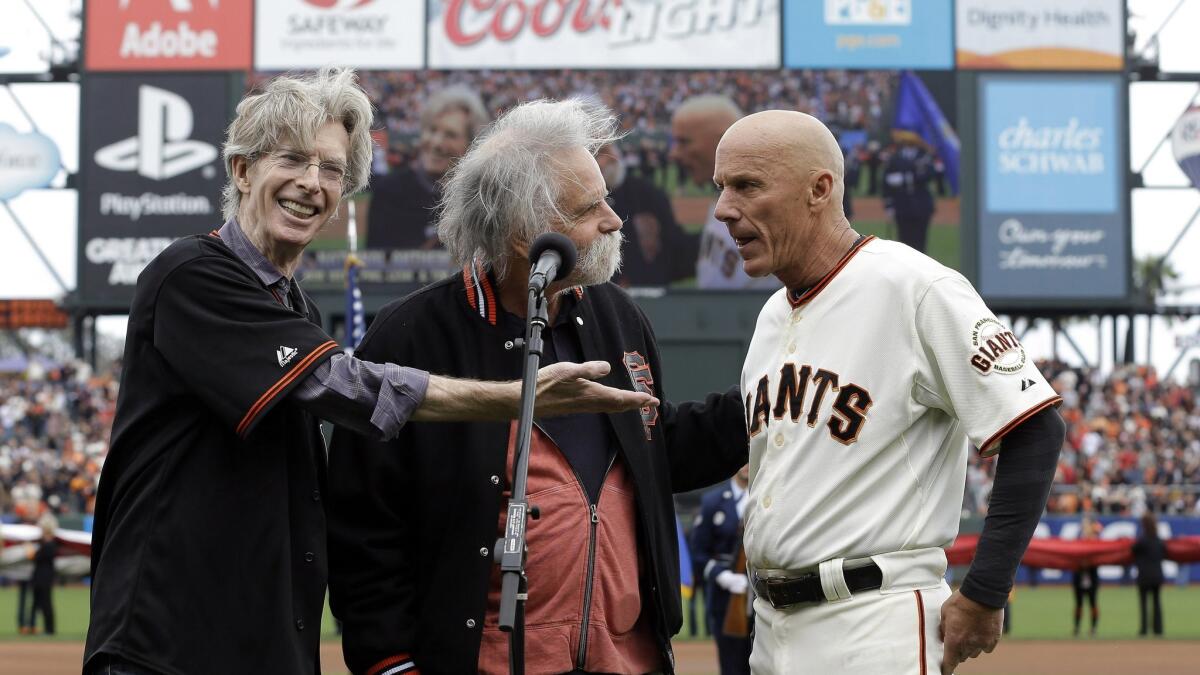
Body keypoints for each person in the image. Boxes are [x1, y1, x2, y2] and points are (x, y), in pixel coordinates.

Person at [83, 70, 655, 675]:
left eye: (332, 169)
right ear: (242, 171)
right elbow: (339, 385)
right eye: (292, 159)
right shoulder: (190, 273)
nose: (312, 182)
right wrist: (518, 397)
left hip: (256, 641)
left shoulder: (291, 304)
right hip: (167, 643)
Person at [326, 98, 749, 675]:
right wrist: (390, 663)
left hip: (624, 659)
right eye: (590, 207)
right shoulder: (410, 334)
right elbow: (363, 524)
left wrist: (761, 404)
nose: (613, 220)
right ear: (528, 236)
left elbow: (655, 449)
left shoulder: (617, 317)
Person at [713, 110, 1066, 675]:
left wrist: (986, 591)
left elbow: (1036, 426)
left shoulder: (914, 286)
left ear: (819, 189)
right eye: (721, 187)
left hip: (873, 620)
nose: (724, 208)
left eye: (747, 185)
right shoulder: (773, 316)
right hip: (772, 627)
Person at [669, 95, 778, 291]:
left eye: (684, 142)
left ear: (723, 139)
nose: (674, 153)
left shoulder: (770, 206)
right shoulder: (726, 193)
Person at [368, 85, 490, 249]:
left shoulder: (482, 198)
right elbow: (377, 264)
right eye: (432, 130)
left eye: (450, 135)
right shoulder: (390, 190)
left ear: (472, 145)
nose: (437, 143)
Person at [596, 142, 697, 286]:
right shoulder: (577, 203)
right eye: (599, 153)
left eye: (609, 149)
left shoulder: (647, 193)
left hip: (649, 296)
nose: (610, 158)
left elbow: (674, 249)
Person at [691, 464, 752, 675]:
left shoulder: (764, 498)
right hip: (725, 598)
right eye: (741, 460)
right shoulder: (712, 501)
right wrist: (721, 576)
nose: (746, 465)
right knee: (732, 665)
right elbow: (698, 553)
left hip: (760, 596)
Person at [881, 132, 940, 254]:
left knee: (920, 242)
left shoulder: (924, 156)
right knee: (904, 242)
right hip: (901, 204)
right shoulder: (895, 157)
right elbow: (886, 182)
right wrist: (889, 205)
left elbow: (930, 174)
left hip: (921, 204)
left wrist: (906, 178)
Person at [1133, 512, 1166, 636]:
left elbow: (1132, 551)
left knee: (1143, 603)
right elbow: (1165, 553)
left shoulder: (1142, 541)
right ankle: (1158, 629)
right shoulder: (1158, 540)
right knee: (1157, 602)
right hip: (1157, 575)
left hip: (1144, 576)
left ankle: (1144, 629)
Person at [26, 515, 58, 635]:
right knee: (36, 603)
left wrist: (31, 552)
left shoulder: (49, 544)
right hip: (40, 577)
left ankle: (49, 629)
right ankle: (32, 626)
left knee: (46, 603)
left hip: (44, 577)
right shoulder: (45, 543)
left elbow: (37, 557)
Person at [1072, 517, 1101, 636]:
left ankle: (1093, 628)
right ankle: (1077, 628)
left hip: (1091, 575)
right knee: (1079, 603)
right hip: (1079, 575)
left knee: (1093, 602)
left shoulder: (1095, 542)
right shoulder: (1079, 542)